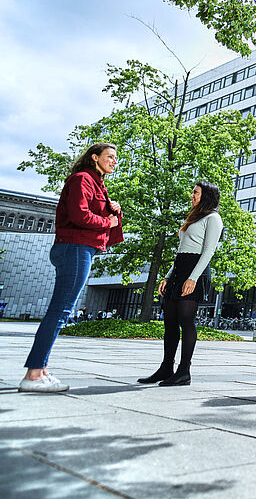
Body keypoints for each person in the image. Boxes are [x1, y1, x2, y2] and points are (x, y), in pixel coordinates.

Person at [20, 143, 123, 393]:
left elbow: (92, 213)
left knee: (61, 309)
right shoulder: (82, 179)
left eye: (115, 158)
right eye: (109, 157)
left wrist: (113, 210)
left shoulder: (97, 183)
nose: (114, 162)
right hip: (75, 247)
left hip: (80, 248)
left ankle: (40, 370)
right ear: (94, 157)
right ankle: (33, 375)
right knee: (61, 310)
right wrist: (106, 221)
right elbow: (80, 215)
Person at [138, 181, 223, 387]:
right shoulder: (193, 217)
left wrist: (192, 278)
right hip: (179, 268)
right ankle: (166, 367)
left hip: (195, 269)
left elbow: (208, 251)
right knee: (170, 322)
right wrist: (168, 276)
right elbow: (181, 249)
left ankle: (184, 371)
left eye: (195, 192)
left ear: (206, 196)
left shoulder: (213, 218)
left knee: (186, 321)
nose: (191, 195)